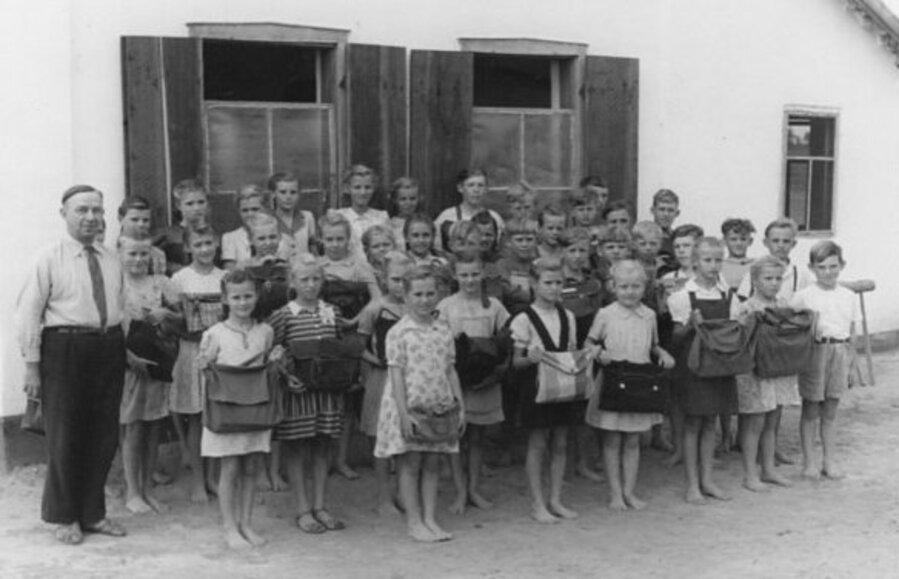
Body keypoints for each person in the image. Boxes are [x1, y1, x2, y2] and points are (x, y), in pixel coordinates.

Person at [17, 184, 127, 545]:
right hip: (64, 349)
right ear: (63, 214)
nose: (91, 217)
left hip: (107, 347)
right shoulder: (49, 257)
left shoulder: (111, 257)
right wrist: (32, 366)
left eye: (97, 210)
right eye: (82, 210)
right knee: (66, 434)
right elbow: (29, 314)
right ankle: (65, 517)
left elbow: (119, 307)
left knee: (104, 434)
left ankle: (93, 513)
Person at [374, 266, 464, 542]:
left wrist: (460, 407)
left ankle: (429, 518)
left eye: (430, 293)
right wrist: (403, 414)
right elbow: (396, 374)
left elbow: (450, 369)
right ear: (406, 296)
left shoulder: (442, 329)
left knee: (434, 463)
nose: (424, 300)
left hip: (439, 407)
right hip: (411, 406)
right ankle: (414, 521)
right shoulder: (399, 332)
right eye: (418, 294)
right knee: (410, 464)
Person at [198, 269, 279, 549]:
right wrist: (202, 362)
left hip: (256, 410)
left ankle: (246, 522)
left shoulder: (266, 331)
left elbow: (269, 364)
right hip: (227, 412)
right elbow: (204, 372)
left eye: (247, 296)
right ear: (225, 299)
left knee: (252, 465)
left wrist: (276, 359)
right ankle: (229, 526)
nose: (243, 303)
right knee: (230, 467)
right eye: (236, 297)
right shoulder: (214, 334)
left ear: (256, 296)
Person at [586, 260, 675, 510]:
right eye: (624, 286)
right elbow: (588, 342)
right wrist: (597, 352)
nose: (630, 291)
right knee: (612, 439)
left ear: (644, 287)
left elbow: (653, 344)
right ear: (613, 287)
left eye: (636, 286)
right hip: (614, 380)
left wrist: (663, 354)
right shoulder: (605, 314)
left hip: (641, 381)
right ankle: (615, 493)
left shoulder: (648, 315)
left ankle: (630, 491)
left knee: (634, 440)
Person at [269, 254, 348, 534]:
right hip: (299, 394)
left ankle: (321, 505)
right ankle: (303, 509)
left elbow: (339, 348)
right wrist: (286, 376)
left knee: (323, 446)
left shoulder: (333, 312)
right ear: (292, 281)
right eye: (304, 279)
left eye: (316, 279)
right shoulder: (284, 315)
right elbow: (273, 352)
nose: (311, 285)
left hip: (326, 394)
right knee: (297, 447)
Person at [437, 252, 510, 514]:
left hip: (485, 380)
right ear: (456, 276)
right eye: (464, 275)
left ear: (483, 274)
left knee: (478, 437)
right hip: (455, 379)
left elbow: (506, 339)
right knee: (456, 437)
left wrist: (495, 368)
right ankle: (458, 491)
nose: (470, 280)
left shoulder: (494, 306)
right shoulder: (446, 306)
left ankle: (473, 489)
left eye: (475, 274)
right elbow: (440, 343)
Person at [509, 257, 580, 523]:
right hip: (536, 387)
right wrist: (530, 358)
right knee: (538, 444)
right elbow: (515, 362)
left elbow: (571, 350)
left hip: (563, 385)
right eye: (547, 282)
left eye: (558, 282)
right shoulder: (523, 319)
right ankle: (537, 503)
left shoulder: (568, 316)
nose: (554, 288)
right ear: (533, 284)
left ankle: (556, 499)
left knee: (561, 443)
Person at [667, 237, 738, 503]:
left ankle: (708, 480)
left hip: (719, 365)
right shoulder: (682, 296)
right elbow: (674, 338)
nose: (713, 265)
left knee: (710, 422)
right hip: (694, 366)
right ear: (695, 262)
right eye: (707, 260)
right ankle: (692, 484)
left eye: (718, 259)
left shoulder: (727, 295)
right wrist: (688, 324)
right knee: (693, 423)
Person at [118, 235, 178, 515]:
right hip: (130, 364)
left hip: (156, 361)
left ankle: (148, 488)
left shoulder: (160, 283)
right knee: (133, 426)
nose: (139, 260)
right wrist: (128, 358)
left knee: (154, 424)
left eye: (144, 254)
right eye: (132, 254)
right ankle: (133, 491)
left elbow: (183, 317)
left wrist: (166, 312)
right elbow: (108, 325)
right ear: (120, 254)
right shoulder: (116, 284)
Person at [789, 241, 858, 480]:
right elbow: (790, 322)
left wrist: (850, 362)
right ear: (812, 268)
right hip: (815, 353)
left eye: (833, 266)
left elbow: (852, 330)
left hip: (839, 351)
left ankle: (830, 460)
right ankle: (809, 462)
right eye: (822, 267)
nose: (828, 272)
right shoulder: (803, 296)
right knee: (811, 409)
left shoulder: (848, 296)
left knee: (830, 410)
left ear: (842, 265)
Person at [170, 226, 226, 503]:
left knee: (215, 417)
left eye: (209, 243)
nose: (204, 249)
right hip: (191, 351)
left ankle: (213, 478)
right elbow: (172, 319)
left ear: (216, 244)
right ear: (188, 248)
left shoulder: (224, 277)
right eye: (198, 244)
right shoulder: (179, 279)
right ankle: (197, 481)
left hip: (220, 354)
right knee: (195, 416)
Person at [730, 256, 795, 491]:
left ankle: (768, 469)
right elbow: (739, 340)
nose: (774, 283)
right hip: (754, 372)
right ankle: (750, 474)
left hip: (777, 370)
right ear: (755, 280)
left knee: (772, 421)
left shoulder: (783, 305)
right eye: (768, 278)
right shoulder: (745, 307)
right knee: (753, 422)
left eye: (778, 278)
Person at [357, 251, 410, 515]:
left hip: (409, 381)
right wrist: (377, 361)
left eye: (406, 279)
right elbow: (358, 346)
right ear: (384, 279)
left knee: (405, 438)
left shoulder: (415, 307)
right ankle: (383, 497)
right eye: (396, 279)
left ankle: (403, 493)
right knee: (381, 440)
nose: (401, 285)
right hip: (381, 380)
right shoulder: (375, 309)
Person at [222, 184, 296, 268]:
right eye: (245, 210)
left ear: (265, 209)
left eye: (255, 209)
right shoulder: (230, 238)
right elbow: (230, 272)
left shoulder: (286, 240)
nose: (250, 214)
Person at [434, 169, 505, 252]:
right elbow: (438, 250)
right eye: (471, 185)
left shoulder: (495, 217)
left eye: (480, 185)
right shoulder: (446, 217)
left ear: (486, 189)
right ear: (460, 188)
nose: (476, 190)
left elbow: (500, 248)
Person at [154, 179, 213, 275]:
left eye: (201, 202)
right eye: (190, 203)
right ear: (178, 205)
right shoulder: (167, 235)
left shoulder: (215, 235)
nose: (196, 208)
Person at [336, 164, 389, 257]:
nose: (363, 192)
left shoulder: (382, 217)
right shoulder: (339, 217)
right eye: (357, 187)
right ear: (348, 189)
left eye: (367, 187)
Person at [496, 217, 538, 316]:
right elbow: (508, 293)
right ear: (509, 242)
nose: (524, 244)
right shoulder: (502, 265)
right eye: (519, 240)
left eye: (529, 239)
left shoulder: (538, 265)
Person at [269, 172, 317, 255]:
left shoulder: (307, 217)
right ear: (273, 194)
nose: (288, 197)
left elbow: (313, 248)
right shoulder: (267, 220)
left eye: (293, 192)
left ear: (299, 194)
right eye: (283, 192)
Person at [117, 196, 167, 275]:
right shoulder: (109, 252)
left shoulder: (157, 255)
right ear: (120, 218)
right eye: (134, 219)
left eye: (145, 220)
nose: (141, 224)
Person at [720, 218, 756, 290]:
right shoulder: (719, 266)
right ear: (724, 241)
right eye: (733, 239)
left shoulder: (757, 265)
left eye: (743, 239)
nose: (738, 243)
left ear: (750, 241)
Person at [387, 177, 421, 251]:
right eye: (403, 199)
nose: (408, 203)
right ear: (395, 200)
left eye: (412, 198)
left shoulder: (425, 223)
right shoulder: (389, 226)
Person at [649, 189, 680, 261]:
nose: (666, 214)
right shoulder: (642, 237)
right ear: (653, 210)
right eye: (662, 209)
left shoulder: (679, 239)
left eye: (670, 210)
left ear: (677, 213)